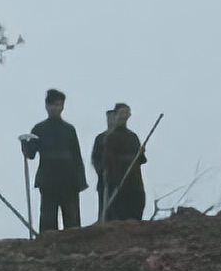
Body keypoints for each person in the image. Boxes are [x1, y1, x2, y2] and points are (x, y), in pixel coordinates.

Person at [21, 89, 88, 232]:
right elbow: (31, 154)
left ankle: (74, 247)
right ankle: (47, 247)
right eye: (53, 105)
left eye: (59, 105)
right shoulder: (39, 129)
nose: (56, 108)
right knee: (48, 219)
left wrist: (81, 180)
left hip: (69, 178)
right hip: (48, 178)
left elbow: (77, 156)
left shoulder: (69, 129)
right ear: (47, 106)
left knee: (72, 219)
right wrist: (25, 144)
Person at [103, 103, 147, 221]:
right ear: (115, 115)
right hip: (119, 180)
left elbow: (140, 159)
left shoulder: (133, 137)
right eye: (121, 113)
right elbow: (109, 160)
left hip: (134, 179)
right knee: (119, 212)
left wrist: (140, 152)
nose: (124, 116)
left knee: (136, 206)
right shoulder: (110, 137)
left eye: (126, 113)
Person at [90, 109, 117, 222]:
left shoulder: (124, 137)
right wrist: (101, 170)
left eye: (113, 118)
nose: (110, 121)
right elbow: (95, 158)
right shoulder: (100, 138)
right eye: (109, 118)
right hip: (104, 178)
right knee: (104, 206)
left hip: (119, 179)